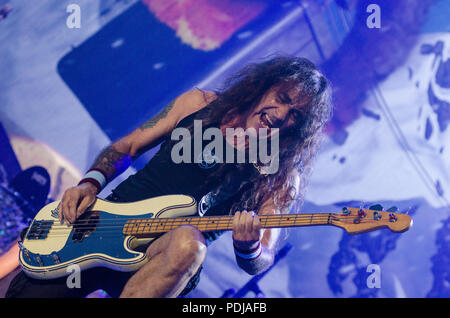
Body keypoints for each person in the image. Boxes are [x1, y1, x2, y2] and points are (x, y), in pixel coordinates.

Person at [6, 56, 332, 298]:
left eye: (295, 116)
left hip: (163, 258)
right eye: (283, 99)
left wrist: (250, 248)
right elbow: (128, 145)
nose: (282, 115)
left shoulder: (281, 177)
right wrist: (90, 183)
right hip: (103, 227)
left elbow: (263, 255)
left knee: (189, 243)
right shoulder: (198, 103)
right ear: (264, 86)